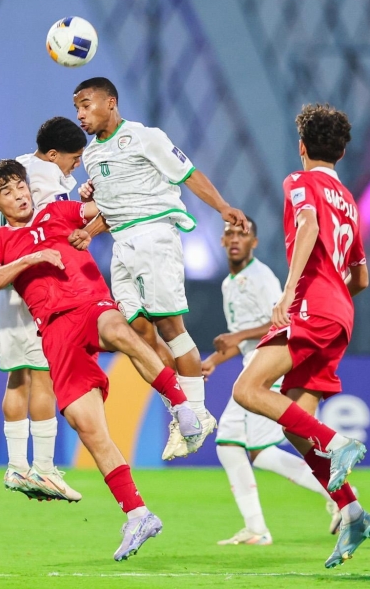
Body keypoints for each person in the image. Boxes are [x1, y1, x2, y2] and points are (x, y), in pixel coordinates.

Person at [0, 158, 204, 561]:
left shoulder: (56, 211)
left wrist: (93, 194)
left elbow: (103, 209)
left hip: (90, 304)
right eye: (7, 192)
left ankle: (184, 410)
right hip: (55, 333)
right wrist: (32, 259)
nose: (19, 195)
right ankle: (137, 514)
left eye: (20, 186)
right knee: (88, 426)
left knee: (121, 331)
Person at [231, 104, 370, 569]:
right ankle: (351, 509)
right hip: (340, 315)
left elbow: (310, 225)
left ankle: (339, 443)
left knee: (247, 390)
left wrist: (290, 293)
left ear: (301, 147)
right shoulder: (350, 201)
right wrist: (335, 296)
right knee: (295, 426)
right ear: (342, 150)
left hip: (310, 305)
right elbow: (362, 278)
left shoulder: (300, 182)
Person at [72, 76, 249, 460]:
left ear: (111, 102)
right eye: (77, 108)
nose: (81, 114)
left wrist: (223, 208)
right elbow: (115, 205)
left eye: (87, 104)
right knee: (136, 334)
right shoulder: (91, 156)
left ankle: (197, 414)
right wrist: (89, 232)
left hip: (154, 237)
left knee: (170, 328)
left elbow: (188, 173)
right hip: (122, 246)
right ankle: (182, 410)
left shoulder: (144, 136)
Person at [201, 218, 340, 545]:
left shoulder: (262, 277)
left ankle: (337, 490)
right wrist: (213, 362)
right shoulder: (228, 284)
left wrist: (239, 336)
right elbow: (241, 340)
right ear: (222, 240)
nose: (235, 239)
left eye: (242, 234)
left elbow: (282, 322)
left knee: (261, 453)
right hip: (251, 364)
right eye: (230, 233)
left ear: (254, 243)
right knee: (229, 445)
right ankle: (256, 528)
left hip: (269, 368)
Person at [0, 117, 86, 502]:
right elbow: (64, 220)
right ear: (51, 155)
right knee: (44, 375)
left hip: (6, 282)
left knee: (18, 377)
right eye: (73, 158)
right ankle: (44, 470)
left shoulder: (20, 167)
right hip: (31, 287)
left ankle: (17, 467)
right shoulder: (44, 177)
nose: (75, 165)